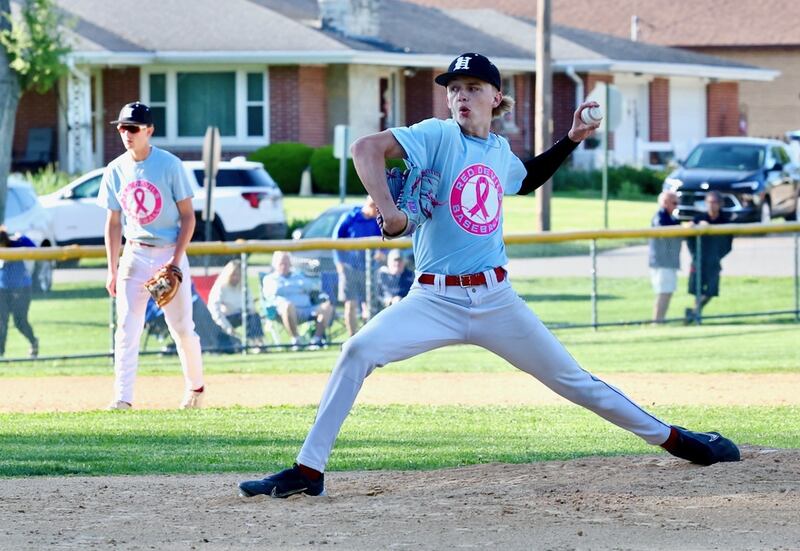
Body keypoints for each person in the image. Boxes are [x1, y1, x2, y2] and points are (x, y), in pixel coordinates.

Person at [238, 52, 739, 499]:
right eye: (454, 88)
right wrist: (390, 210)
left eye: (473, 88)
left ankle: (679, 440)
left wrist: (570, 139)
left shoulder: (498, 152)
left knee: (574, 381)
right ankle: (309, 470)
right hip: (433, 300)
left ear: (496, 97)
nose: (460, 96)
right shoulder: (434, 135)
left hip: (497, 300)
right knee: (357, 351)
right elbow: (366, 149)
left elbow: (528, 177)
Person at [98, 101, 205, 410]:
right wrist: (111, 269)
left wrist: (175, 261)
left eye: (132, 128)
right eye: (121, 128)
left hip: (169, 254)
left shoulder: (169, 165)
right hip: (134, 254)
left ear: (149, 131)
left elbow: (188, 217)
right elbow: (113, 222)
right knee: (128, 327)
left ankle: (196, 389)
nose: (125, 133)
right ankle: (123, 398)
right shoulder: (115, 169)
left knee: (182, 329)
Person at [262, 251, 334, 347]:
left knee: (327, 307)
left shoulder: (299, 275)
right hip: (284, 311)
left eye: (287, 263)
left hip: (307, 309)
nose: (284, 266)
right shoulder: (269, 279)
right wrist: (296, 287)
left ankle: (316, 339)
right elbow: (269, 296)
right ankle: (296, 340)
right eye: (281, 263)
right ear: (274, 264)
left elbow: (314, 287)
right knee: (288, 305)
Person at [333, 196, 382, 336]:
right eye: (376, 208)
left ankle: (368, 336)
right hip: (349, 268)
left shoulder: (377, 221)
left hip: (369, 269)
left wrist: (382, 252)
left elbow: (385, 239)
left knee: (370, 305)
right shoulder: (350, 217)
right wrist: (339, 263)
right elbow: (336, 240)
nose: (378, 212)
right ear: (370, 205)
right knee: (351, 304)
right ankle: (351, 336)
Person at [685, 190, 733, 322]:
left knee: (711, 290)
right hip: (698, 260)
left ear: (720, 204)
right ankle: (696, 316)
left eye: (715, 202)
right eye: (709, 202)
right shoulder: (699, 219)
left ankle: (693, 313)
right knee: (697, 291)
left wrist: (717, 255)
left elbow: (728, 244)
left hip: (714, 261)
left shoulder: (725, 221)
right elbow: (689, 239)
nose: (712, 205)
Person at [207, 259, 265, 349]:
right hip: (224, 319)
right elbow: (214, 309)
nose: (236, 278)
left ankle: (258, 344)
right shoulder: (220, 287)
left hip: (242, 315)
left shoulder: (243, 286)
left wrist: (248, 310)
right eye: (233, 275)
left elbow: (250, 305)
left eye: (238, 275)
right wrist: (227, 327)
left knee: (254, 316)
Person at [0, 227, 39, 358]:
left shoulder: (16, 245)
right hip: (2, 289)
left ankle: (33, 342)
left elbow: (34, 247)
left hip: (22, 289)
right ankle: (1, 354)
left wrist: (21, 237)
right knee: (1, 322)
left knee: (20, 322)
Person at [648, 191, 682, 323]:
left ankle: (660, 319)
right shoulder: (660, 217)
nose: (676, 206)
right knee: (663, 292)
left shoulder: (670, 217)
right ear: (665, 202)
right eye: (674, 203)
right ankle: (657, 320)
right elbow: (662, 228)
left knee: (667, 291)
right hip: (662, 262)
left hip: (669, 262)